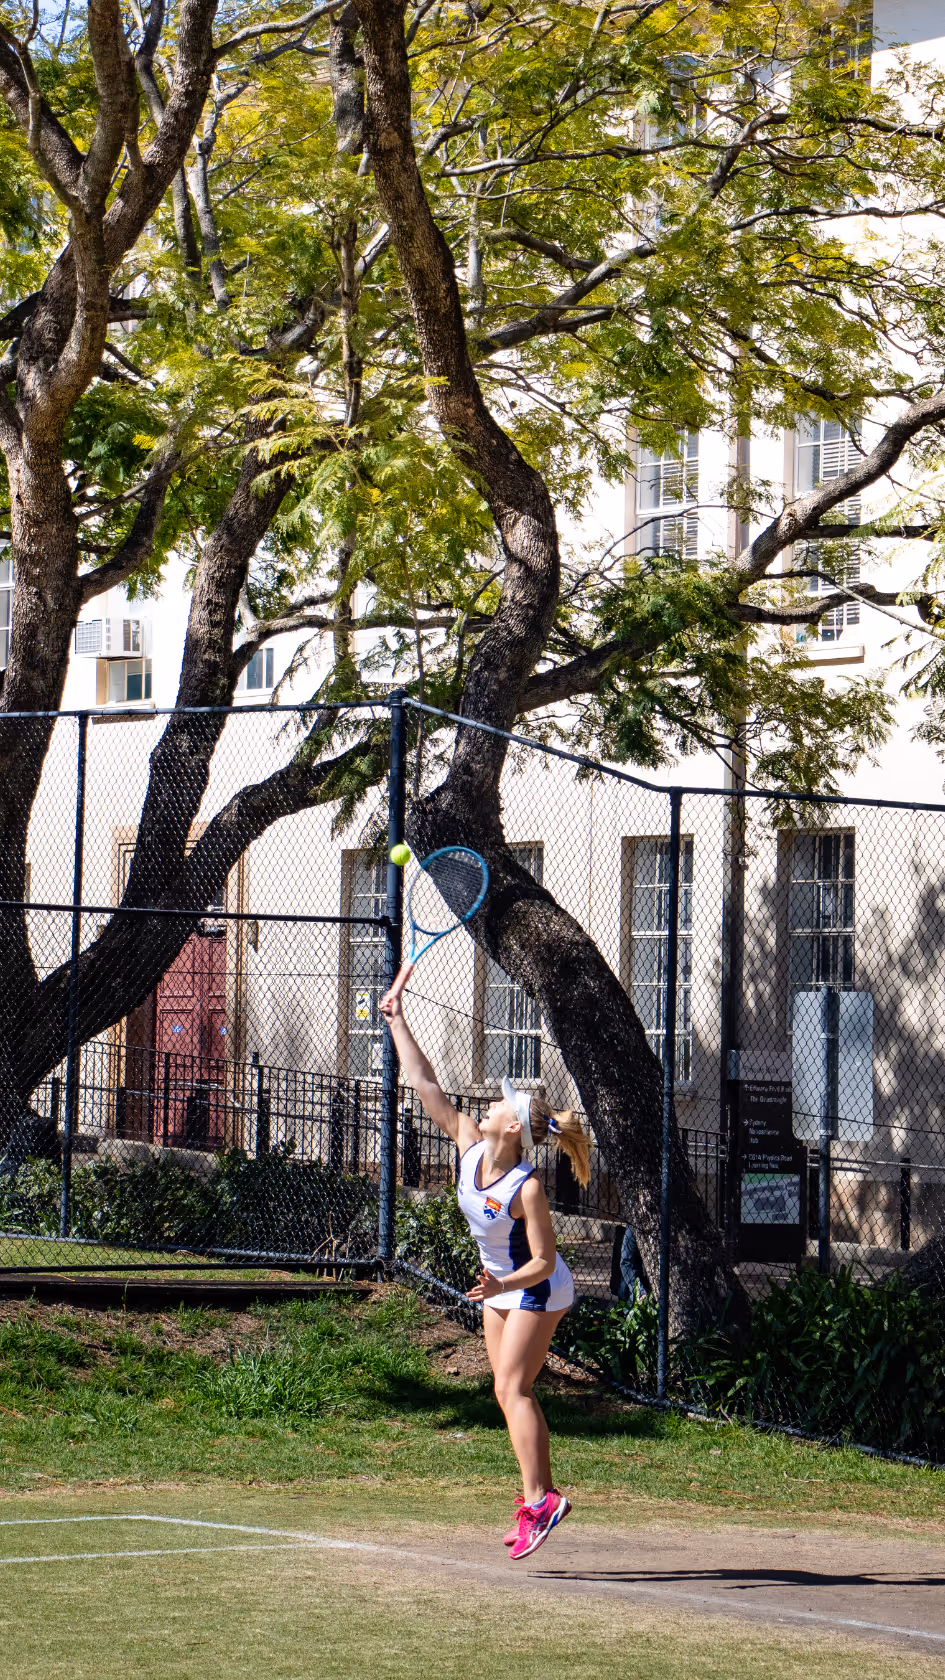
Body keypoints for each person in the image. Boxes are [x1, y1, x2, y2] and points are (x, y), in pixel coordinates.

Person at [379, 980, 592, 1561]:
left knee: (511, 1386)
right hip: (498, 1285)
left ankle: (542, 1501)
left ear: (513, 1127)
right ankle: (538, 1499)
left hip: (536, 1287)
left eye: (500, 1103)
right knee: (508, 1394)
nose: (489, 1105)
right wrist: (397, 1020)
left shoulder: (528, 1187)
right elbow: (425, 1083)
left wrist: (504, 1284)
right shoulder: (469, 1144)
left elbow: (545, 1260)